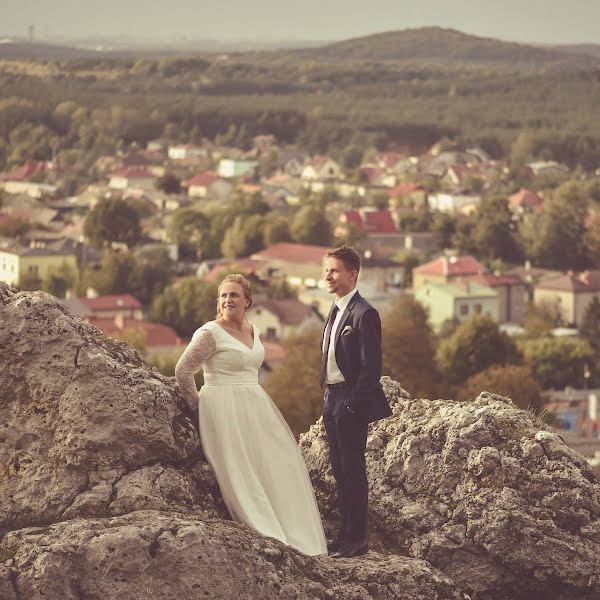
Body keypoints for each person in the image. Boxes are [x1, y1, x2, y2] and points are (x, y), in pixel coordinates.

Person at [175, 274, 327, 556]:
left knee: (277, 464)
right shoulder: (210, 333)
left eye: (234, 295)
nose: (228, 300)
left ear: (247, 301)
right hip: (222, 407)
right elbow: (183, 371)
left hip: (255, 405)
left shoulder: (254, 330)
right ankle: (269, 532)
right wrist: (199, 407)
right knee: (241, 469)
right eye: (223, 296)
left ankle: (298, 535)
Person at [320, 246, 392, 559]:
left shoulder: (365, 313)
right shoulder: (334, 310)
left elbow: (371, 369)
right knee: (339, 471)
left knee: (353, 472)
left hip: (349, 400)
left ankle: (357, 540)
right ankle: (344, 536)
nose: (328, 276)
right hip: (331, 398)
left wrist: (351, 406)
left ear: (353, 274)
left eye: (334, 270)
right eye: (326, 270)